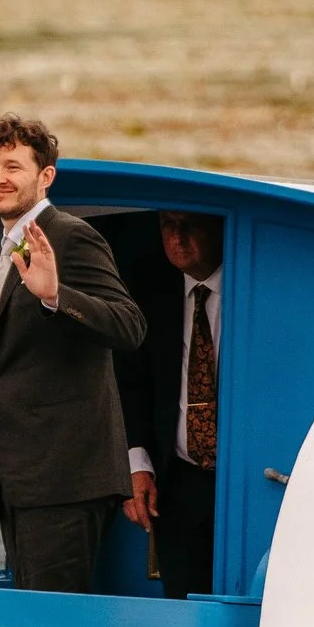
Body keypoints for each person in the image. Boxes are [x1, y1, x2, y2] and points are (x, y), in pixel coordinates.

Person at [0, 116, 144, 595]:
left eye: (14, 165)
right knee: (31, 614)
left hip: (66, 479)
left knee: (51, 621)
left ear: (45, 176)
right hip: (24, 479)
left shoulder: (70, 235)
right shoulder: (11, 244)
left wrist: (56, 296)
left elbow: (129, 325)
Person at [122, 210, 224, 598]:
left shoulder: (257, 284)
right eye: (168, 226)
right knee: (182, 599)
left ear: (218, 225)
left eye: (189, 225)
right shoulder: (150, 287)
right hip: (179, 479)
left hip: (247, 482)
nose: (176, 238)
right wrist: (138, 464)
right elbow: (131, 382)